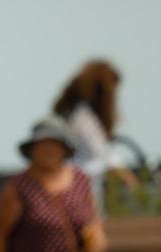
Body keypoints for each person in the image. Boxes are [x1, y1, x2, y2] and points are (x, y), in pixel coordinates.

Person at [0, 116, 104, 252]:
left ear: (64, 149)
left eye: (54, 145)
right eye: (43, 145)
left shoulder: (81, 181)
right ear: (32, 150)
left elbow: (94, 222)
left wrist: (94, 241)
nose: (49, 150)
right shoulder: (19, 187)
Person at [53, 60, 135, 210]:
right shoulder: (82, 116)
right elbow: (101, 153)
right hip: (80, 191)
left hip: (80, 188)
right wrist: (129, 178)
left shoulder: (72, 112)